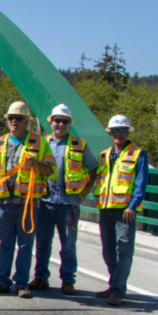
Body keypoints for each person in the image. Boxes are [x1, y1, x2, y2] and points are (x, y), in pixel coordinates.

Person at [0, 102, 58, 299]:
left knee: (24, 245)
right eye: (10, 118)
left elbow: (52, 172)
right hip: (5, 201)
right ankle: (2, 281)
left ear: (26, 121)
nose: (13, 121)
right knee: (5, 243)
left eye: (18, 118)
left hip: (29, 203)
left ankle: (21, 283)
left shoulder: (40, 143)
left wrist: (37, 163)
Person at [32, 104, 98, 295]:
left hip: (69, 204)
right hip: (45, 201)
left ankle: (68, 280)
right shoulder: (42, 143)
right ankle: (41, 277)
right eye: (57, 120)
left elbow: (94, 169)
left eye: (64, 121)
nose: (60, 124)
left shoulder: (79, 144)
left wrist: (86, 190)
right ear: (50, 122)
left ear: (69, 124)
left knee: (68, 245)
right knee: (42, 242)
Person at [93, 114, 148, 307]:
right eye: (115, 131)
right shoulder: (104, 155)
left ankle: (118, 291)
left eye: (122, 130)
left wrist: (133, 206)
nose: (118, 134)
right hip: (106, 209)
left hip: (125, 211)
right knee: (108, 251)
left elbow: (141, 184)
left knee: (123, 251)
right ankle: (113, 284)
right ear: (109, 133)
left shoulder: (138, 154)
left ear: (128, 132)